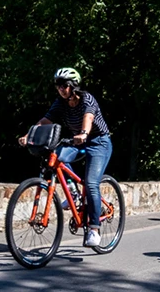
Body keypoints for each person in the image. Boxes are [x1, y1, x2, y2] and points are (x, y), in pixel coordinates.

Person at [18, 67, 112, 247]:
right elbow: (46, 120)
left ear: (73, 86)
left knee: (91, 183)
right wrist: (30, 135)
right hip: (78, 141)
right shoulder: (60, 103)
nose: (61, 89)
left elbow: (88, 117)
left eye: (64, 85)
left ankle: (94, 228)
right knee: (57, 158)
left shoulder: (87, 99)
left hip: (99, 142)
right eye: (58, 86)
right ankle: (74, 194)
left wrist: (84, 133)